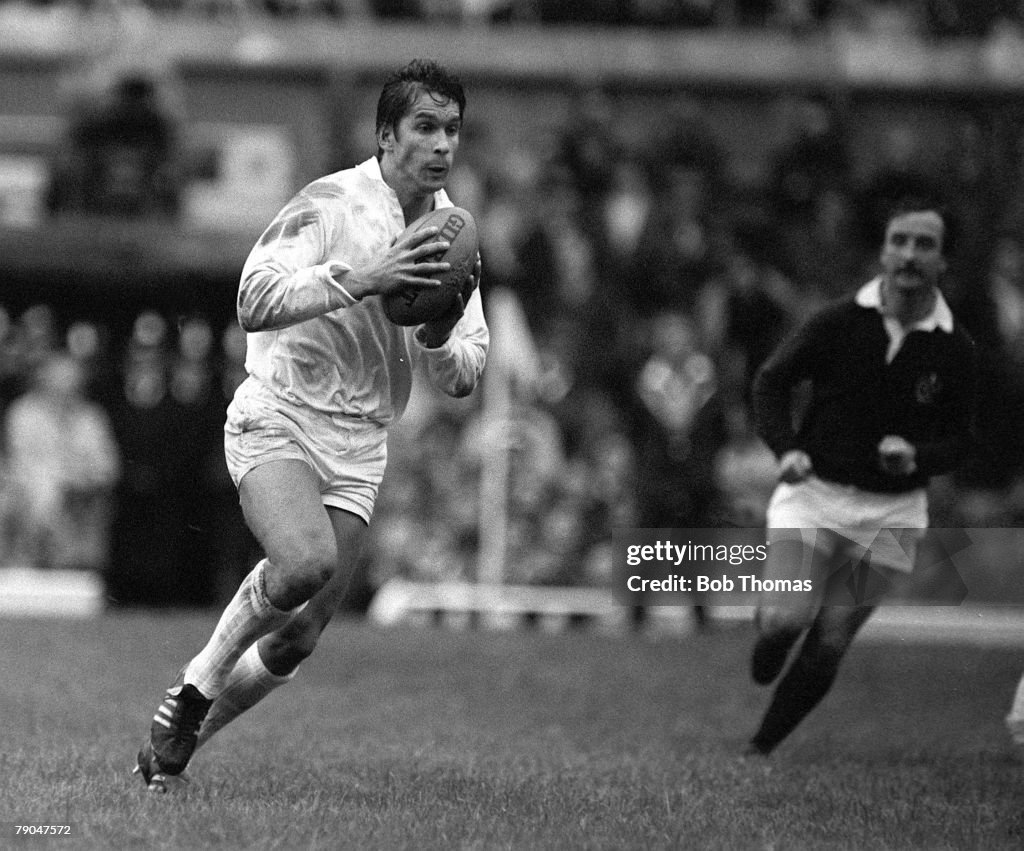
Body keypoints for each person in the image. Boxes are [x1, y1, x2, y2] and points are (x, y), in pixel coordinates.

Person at [134, 59, 488, 792]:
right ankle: (196, 684)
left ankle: (176, 746)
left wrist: (441, 330)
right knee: (303, 564)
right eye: (424, 127)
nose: (442, 145)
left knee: (298, 636)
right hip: (281, 413)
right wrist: (364, 278)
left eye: (452, 129)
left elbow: (461, 378)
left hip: (360, 441)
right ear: (386, 137)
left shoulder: (455, 232)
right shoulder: (330, 202)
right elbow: (253, 297)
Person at [744, 195, 977, 756]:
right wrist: (786, 449)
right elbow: (771, 382)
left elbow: (966, 440)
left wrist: (917, 457)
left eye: (925, 245)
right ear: (883, 250)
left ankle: (759, 751)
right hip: (814, 495)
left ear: (944, 261)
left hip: (893, 514)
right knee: (787, 618)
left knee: (830, 641)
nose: (910, 255)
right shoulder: (837, 322)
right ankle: (772, 632)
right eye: (900, 241)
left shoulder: (957, 350)